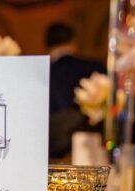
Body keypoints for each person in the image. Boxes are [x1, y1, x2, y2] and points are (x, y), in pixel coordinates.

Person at [47, 23, 105, 159]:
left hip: (52, 149)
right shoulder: (95, 67)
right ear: (74, 41)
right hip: (90, 148)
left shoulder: (42, 73)